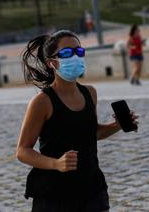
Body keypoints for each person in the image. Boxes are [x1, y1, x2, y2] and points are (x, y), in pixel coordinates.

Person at [16, 30, 138, 211]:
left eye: (79, 52)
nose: (75, 56)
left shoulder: (89, 93)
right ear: (52, 63)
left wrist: (117, 125)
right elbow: (22, 151)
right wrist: (56, 164)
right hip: (56, 194)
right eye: (67, 53)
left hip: (92, 187)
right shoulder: (42, 102)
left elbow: (91, 132)